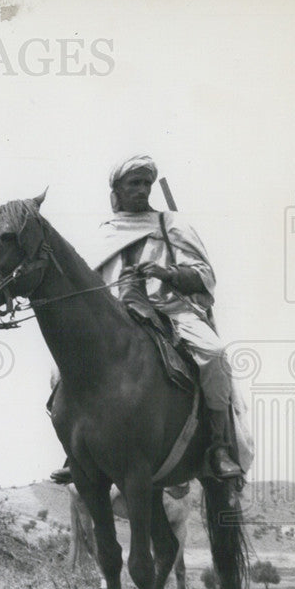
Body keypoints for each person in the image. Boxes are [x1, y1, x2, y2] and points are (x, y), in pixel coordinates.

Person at [53, 155, 242, 481]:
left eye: (146, 184)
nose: (141, 190)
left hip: (171, 312)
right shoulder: (105, 234)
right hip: (117, 319)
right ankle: (76, 450)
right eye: (133, 184)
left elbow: (203, 276)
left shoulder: (171, 225)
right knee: (59, 373)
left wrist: (168, 272)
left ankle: (219, 446)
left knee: (214, 354)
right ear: (117, 191)